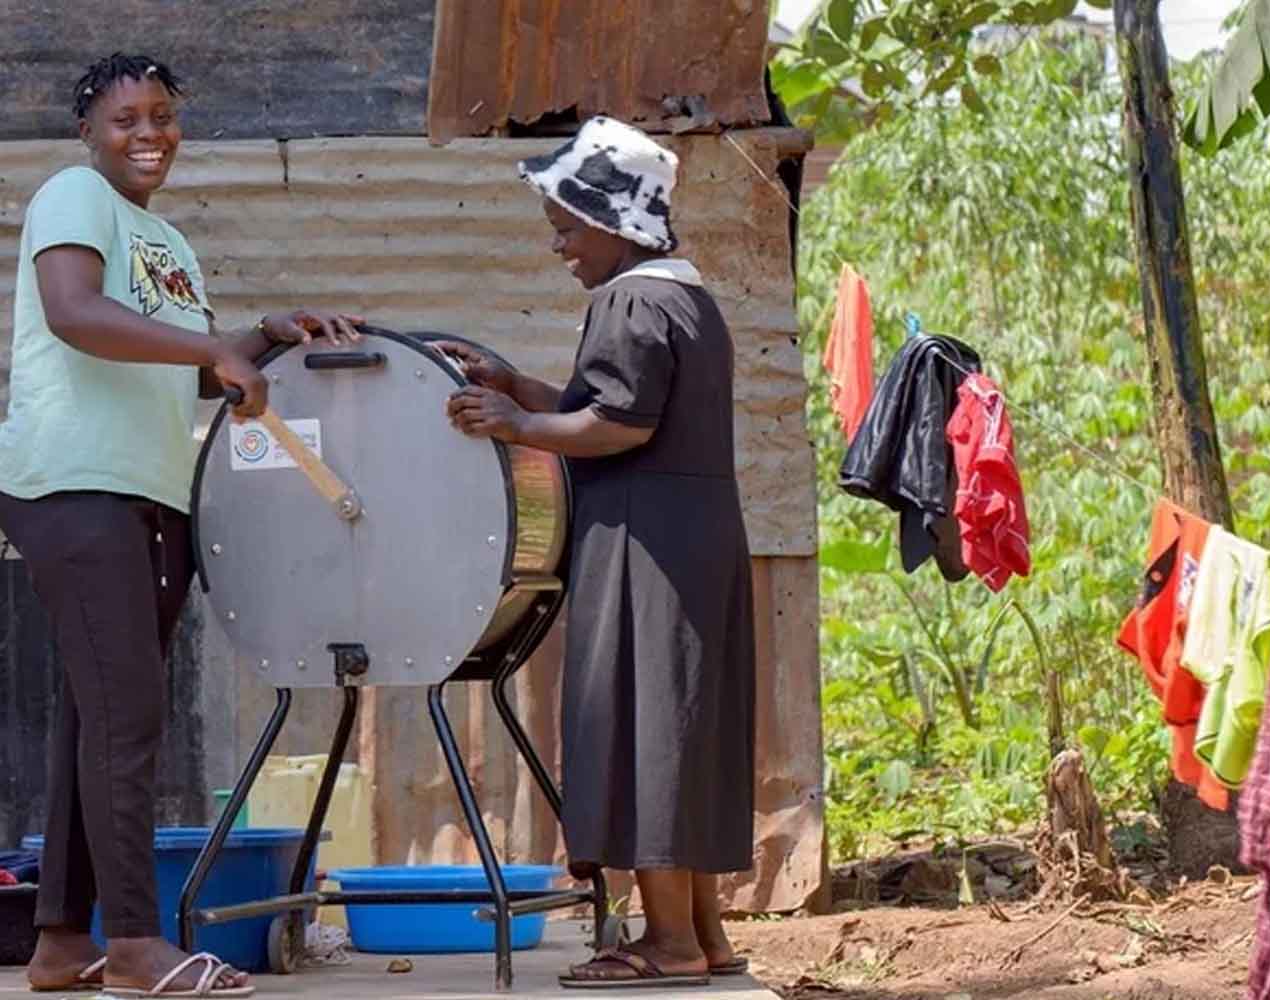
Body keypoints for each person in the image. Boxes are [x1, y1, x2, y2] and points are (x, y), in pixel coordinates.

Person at [0, 53, 360, 998]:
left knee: (100, 715)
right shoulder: (74, 195)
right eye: (127, 119)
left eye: (163, 115)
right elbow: (74, 313)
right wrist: (212, 344)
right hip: (72, 482)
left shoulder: (165, 242)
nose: (149, 133)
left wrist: (269, 333)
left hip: (145, 492)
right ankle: (131, 945)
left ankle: (59, 943)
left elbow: (198, 369)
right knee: (129, 719)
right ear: (89, 131)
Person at [442, 115, 756, 989]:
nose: (559, 246)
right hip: (691, 536)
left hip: (649, 547)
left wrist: (519, 424)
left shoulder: (629, 299)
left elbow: (619, 423)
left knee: (648, 731)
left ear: (615, 222)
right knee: (681, 731)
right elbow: (611, 406)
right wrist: (518, 388)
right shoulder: (685, 297)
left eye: (568, 226)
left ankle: (669, 947)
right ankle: (704, 935)